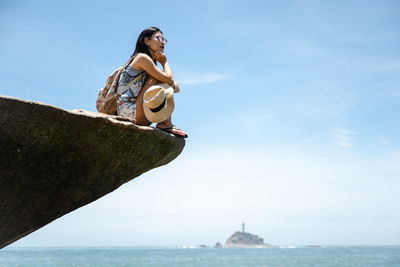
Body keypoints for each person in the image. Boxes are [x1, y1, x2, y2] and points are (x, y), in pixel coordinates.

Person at [116, 26, 187, 138]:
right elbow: (169, 79)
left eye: (164, 39)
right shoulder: (142, 58)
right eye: (159, 38)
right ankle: (165, 123)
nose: (162, 42)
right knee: (158, 79)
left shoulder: (150, 64)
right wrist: (164, 62)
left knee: (161, 80)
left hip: (140, 114)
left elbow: (174, 85)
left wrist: (170, 84)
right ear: (147, 41)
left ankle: (165, 123)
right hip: (130, 112)